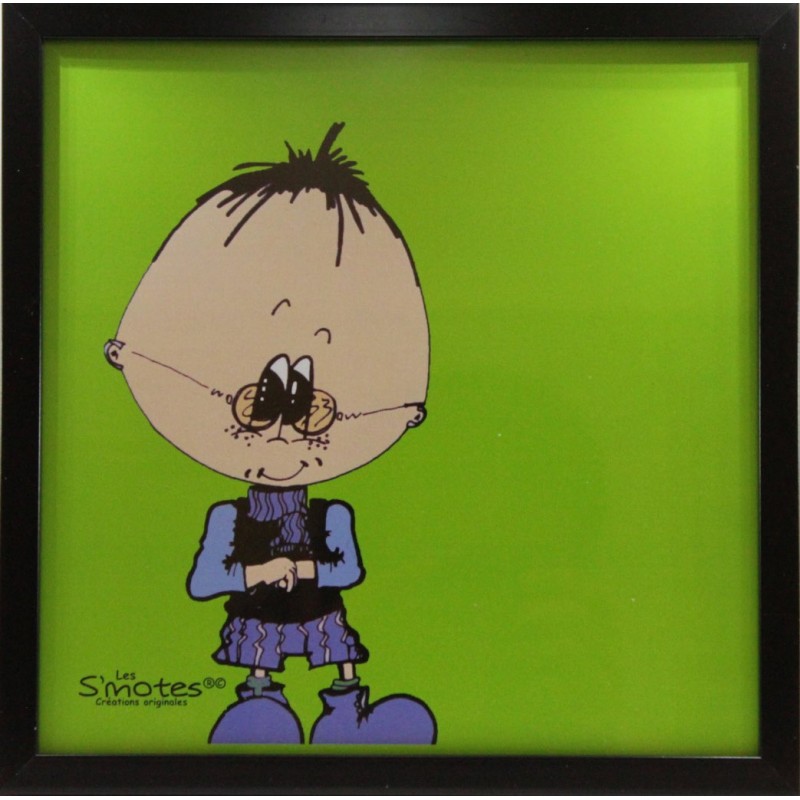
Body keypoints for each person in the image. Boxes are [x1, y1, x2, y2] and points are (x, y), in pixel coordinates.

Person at [105, 123, 435, 745]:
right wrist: (262, 573)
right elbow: (205, 582)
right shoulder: (228, 519)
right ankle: (259, 717)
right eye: (254, 405)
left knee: (340, 663)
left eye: (315, 411)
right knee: (260, 680)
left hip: (321, 618)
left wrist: (301, 565)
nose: (283, 436)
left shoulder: (332, 513)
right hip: (259, 619)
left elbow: (349, 570)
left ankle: (348, 716)